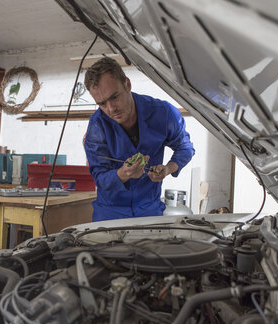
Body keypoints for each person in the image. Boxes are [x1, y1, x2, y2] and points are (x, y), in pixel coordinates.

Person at [83, 57, 195, 221]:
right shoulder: (97, 126)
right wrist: (123, 173)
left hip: (149, 210)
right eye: (102, 104)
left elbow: (185, 148)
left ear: (127, 84)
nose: (111, 109)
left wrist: (167, 169)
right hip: (110, 213)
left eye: (114, 97)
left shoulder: (163, 113)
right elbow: (100, 177)